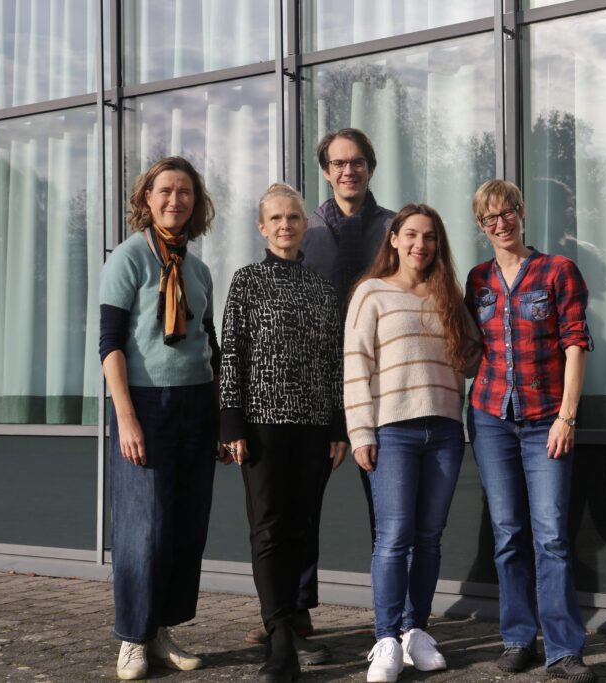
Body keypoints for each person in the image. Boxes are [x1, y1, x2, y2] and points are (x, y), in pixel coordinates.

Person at [245, 128, 395, 646]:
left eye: (357, 162)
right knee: (299, 509)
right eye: (338, 163)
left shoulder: (393, 228)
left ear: (370, 167)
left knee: (388, 509)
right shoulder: (306, 230)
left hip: (382, 385)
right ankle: (292, 610)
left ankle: (392, 615)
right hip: (317, 391)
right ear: (326, 172)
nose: (348, 170)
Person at [464, 180, 596, 682]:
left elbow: (575, 344)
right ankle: (518, 638)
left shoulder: (558, 270)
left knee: (552, 535)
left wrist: (567, 416)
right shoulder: (478, 279)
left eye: (508, 212)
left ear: (521, 213)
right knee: (508, 534)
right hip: (490, 416)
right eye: (489, 217)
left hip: (545, 419)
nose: (500, 223)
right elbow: (469, 347)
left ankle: (563, 650)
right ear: (480, 225)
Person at [344, 204, 480, 683]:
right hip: (393, 430)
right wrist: (360, 432)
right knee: (394, 536)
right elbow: (355, 364)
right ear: (395, 239)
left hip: (444, 429)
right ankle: (385, 639)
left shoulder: (448, 294)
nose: (421, 244)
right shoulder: (371, 292)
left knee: (429, 537)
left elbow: (471, 358)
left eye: (430, 237)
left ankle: (415, 631)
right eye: (412, 235)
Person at [220, 183, 348, 683]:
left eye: (293, 217)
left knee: (301, 526)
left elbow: (334, 362)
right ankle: (277, 639)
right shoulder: (247, 281)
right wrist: (231, 422)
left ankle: (294, 620)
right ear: (262, 227)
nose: (285, 225)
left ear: (305, 224)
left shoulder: (321, 288)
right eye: (275, 218)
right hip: (262, 425)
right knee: (269, 528)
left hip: (314, 427)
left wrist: (338, 426)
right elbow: (232, 353)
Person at [99, 156, 220, 681]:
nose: (176, 199)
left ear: (196, 202)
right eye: (165, 190)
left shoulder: (199, 270)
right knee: (142, 529)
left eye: (185, 191)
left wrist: (222, 415)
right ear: (147, 199)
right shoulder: (128, 258)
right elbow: (110, 345)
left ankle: (161, 629)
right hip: (147, 405)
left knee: (185, 527)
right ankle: (132, 637)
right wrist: (126, 417)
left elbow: (210, 346)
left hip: (198, 403)